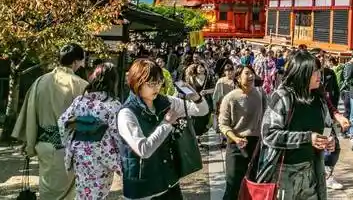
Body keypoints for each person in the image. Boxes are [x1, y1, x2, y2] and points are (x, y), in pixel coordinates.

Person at [117, 58, 209, 199]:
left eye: (159, 82)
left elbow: (201, 110)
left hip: (169, 181)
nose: (157, 87)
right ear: (136, 82)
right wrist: (166, 124)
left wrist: (196, 97)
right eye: (151, 83)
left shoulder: (165, 101)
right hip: (143, 189)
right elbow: (143, 149)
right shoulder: (127, 113)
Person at [13, 43, 89, 200]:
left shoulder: (40, 82)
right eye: (82, 61)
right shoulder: (82, 85)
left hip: (46, 147)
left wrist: (29, 142)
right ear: (75, 61)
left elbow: (30, 113)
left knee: (47, 193)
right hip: (72, 150)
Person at [255, 50, 335, 200]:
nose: (319, 75)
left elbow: (327, 126)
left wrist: (329, 140)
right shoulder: (283, 97)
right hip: (283, 172)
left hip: (310, 171)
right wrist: (307, 138)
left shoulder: (319, 99)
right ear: (302, 73)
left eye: (319, 71)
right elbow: (269, 135)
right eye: (314, 72)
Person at [58, 63, 123, 200]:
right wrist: (123, 161)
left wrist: (68, 143)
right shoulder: (113, 106)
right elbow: (118, 136)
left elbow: (62, 122)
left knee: (82, 192)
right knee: (98, 194)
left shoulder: (79, 101)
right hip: (102, 155)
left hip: (79, 154)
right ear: (113, 83)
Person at [219, 65, 265, 200]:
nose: (251, 76)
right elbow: (223, 124)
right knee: (233, 186)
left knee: (253, 185)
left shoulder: (260, 94)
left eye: (252, 73)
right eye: (247, 74)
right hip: (236, 145)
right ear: (238, 77)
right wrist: (235, 138)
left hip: (256, 146)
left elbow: (267, 116)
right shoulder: (230, 98)